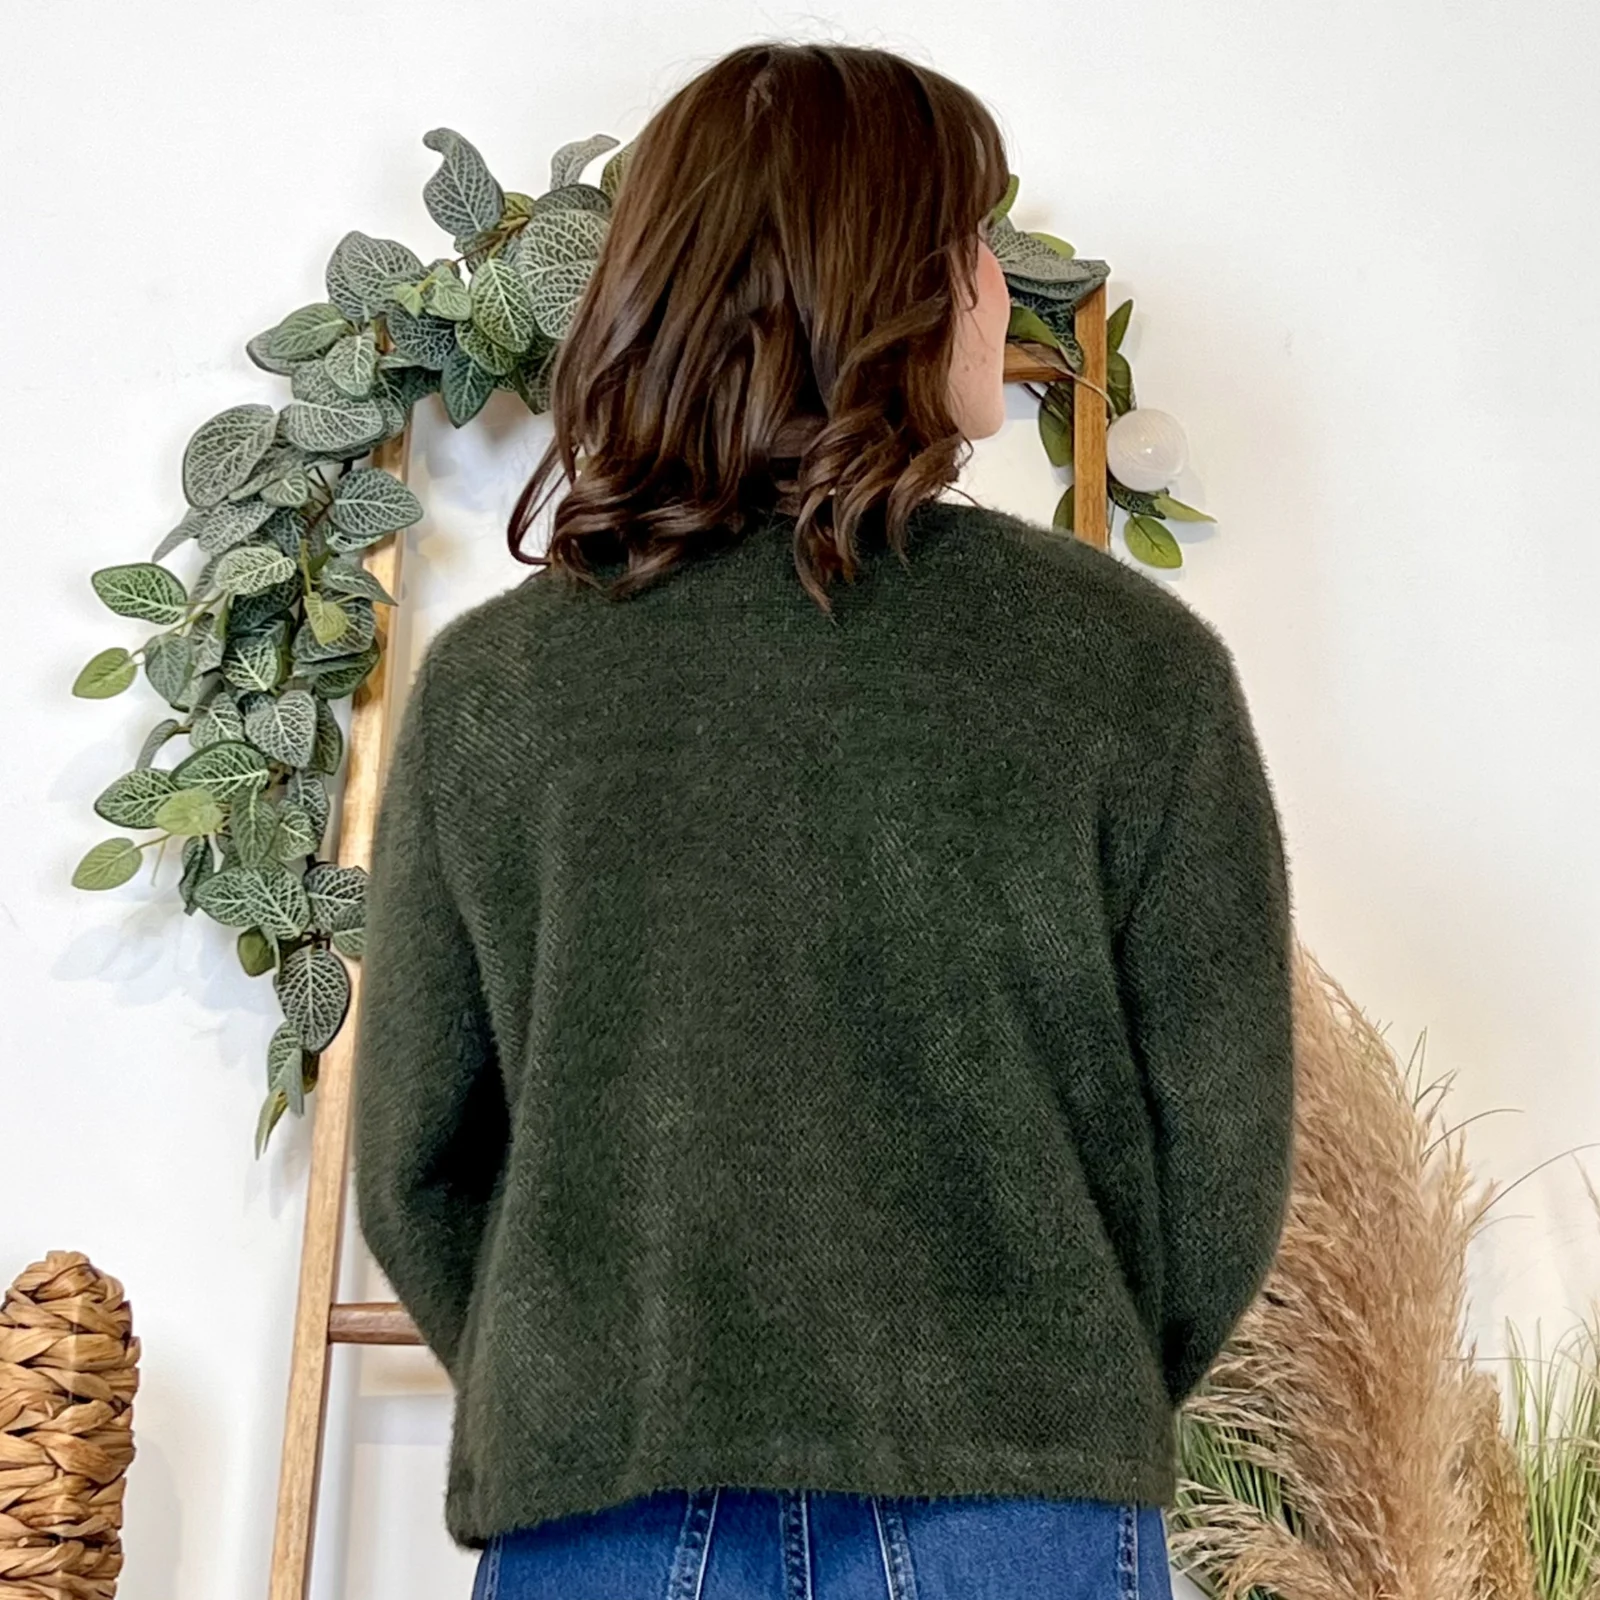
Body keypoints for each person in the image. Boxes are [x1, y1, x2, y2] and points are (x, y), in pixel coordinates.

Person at [350, 37, 1297, 1600]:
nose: (996, 287)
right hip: (1017, 1512)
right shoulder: (1130, 666)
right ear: (885, 287)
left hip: (605, 1507)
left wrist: (583, 1383)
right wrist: (1054, 1389)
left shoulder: (497, 690)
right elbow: (1222, 1162)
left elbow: (413, 1165)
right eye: (970, 242)